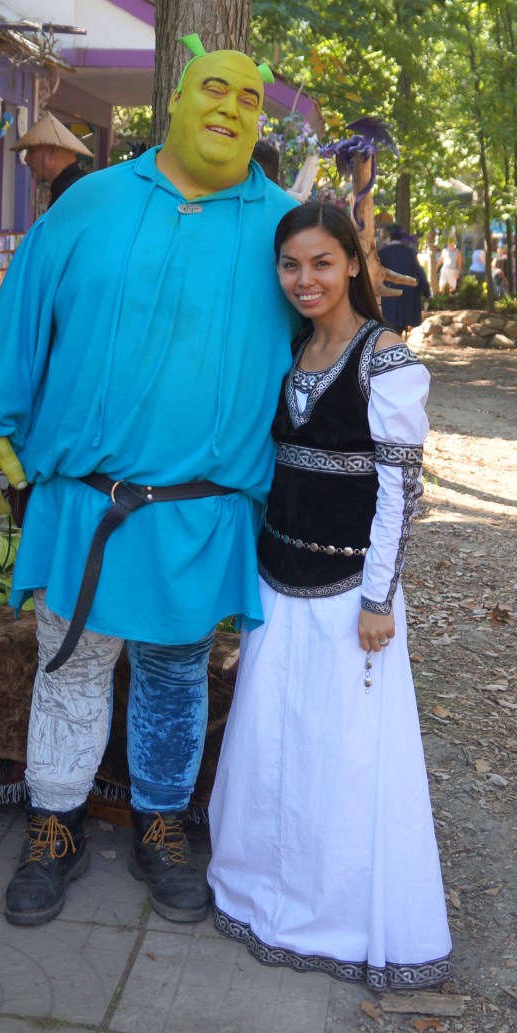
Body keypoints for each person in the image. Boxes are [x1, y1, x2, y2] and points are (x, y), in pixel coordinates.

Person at [0, 34, 300, 928]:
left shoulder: (288, 226)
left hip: (199, 512)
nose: (228, 107)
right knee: (69, 663)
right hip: (83, 501)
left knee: (175, 675)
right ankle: (54, 823)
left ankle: (162, 823)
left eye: (248, 99)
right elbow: (23, 316)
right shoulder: (88, 205)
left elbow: (331, 343)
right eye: (211, 89)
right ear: (173, 104)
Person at [208, 201, 453, 991]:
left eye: (321, 262)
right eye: (290, 265)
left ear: (353, 261)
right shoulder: (286, 349)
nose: (304, 279)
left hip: (354, 594)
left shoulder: (388, 361)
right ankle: (260, 891)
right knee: (273, 743)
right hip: (278, 584)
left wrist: (378, 598)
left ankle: (339, 912)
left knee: (343, 757)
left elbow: (398, 493)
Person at [11, 111, 92, 208]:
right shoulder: (77, 185)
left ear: (51, 154)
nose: (26, 158)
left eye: (31, 151)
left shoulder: (73, 191)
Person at [378, 223, 430, 335]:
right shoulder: (409, 252)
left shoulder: (382, 253)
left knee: (391, 326)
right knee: (403, 326)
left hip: (390, 293)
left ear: (390, 236)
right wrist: (426, 291)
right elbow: (419, 272)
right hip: (408, 293)